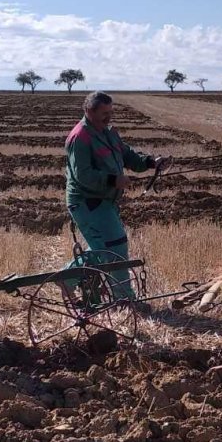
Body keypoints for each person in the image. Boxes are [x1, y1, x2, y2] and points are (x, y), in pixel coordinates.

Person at [64, 91, 170, 298]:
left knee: (104, 248)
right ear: (88, 111)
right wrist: (113, 180)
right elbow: (82, 175)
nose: (109, 116)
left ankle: (68, 276)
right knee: (116, 246)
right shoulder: (80, 138)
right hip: (87, 202)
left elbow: (127, 155)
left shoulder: (108, 132)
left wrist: (150, 162)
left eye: (110, 112)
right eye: (104, 113)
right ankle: (124, 299)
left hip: (106, 201)